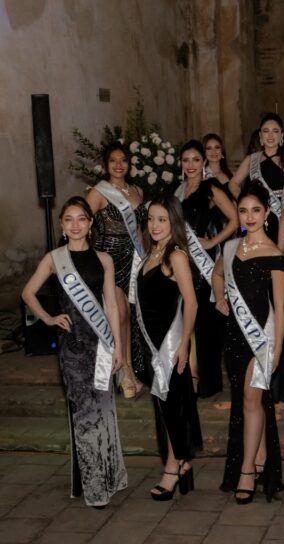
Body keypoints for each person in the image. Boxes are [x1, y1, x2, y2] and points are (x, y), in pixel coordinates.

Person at [22, 197, 127, 508]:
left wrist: (118, 346)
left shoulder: (104, 259)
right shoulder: (55, 259)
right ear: (62, 225)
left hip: (102, 344)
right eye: (69, 219)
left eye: (82, 218)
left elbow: (110, 305)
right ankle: (94, 487)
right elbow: (27, 292)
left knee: (105, 411)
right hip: (73, 347)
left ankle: (110, 475)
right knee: (84, 415)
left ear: (91, 223)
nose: (76, 224)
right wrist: (48, 317)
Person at [213, 182, 284, 503]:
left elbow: (282, 307)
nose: (250, 216)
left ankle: (246, 470)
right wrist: (219, 299)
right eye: (243, 210)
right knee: (246, 402)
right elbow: (217, 275)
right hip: (234, 336)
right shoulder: (231, 248)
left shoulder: (275, 254)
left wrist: (279, 348)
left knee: (251, 399)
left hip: (263, 336)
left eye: (256, 210)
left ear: (267, 212)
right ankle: (259, 461)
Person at [135, 195, 201, 501]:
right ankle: (181, 460)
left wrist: (184, 344)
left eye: (162, 219)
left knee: (172, 408)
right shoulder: (151, 252)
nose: (156, 225)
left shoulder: (174, 256)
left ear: (174, 222)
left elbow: (192, 302)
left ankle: (173, 468)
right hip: (151, 345)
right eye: (151, 219)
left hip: (169, 345)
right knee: (166, 407)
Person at [177, 139, 237, 398]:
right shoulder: (176, 191)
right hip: (182, 263)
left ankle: (209, 383)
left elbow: (235, 219)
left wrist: (212, 241)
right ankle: (189, 376)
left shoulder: (210, 187)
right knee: (184, 321)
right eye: (186, 160)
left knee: (206, 323)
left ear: (204, 163)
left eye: (196, 160)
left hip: (204, 263)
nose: (191, 165)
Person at [85, 142, 147, 397]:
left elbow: (141, 230)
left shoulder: (137, 191)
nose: (119, 165)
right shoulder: (99, 193)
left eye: (123, 160)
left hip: (133, 259)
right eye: (113, 160)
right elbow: (80, 222)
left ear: (129, 163)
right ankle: (125, 374)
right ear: (106, 163)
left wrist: (146, 258)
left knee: (130, 315)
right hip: (108, 259)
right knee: (119, 314)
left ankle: (130, 369)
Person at [230, 112, 284, 250]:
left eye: (275, 131)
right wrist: (245, 201)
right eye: (266, 131)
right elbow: (233, 183)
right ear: (260, 136)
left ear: (282, 135)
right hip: (256, 217)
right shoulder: (251, 159)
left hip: (281, 218)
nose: (270, 135)